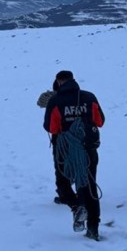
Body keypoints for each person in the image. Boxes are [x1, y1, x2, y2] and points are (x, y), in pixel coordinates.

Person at [43, 70, 105, 241]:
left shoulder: (55, 101)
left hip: (64, 150)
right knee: (89, 186)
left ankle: (76, 206)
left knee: (63, 181)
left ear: (58, 82)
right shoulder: (89, 97)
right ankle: (93, 228)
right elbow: (100, 121)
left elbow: (51, 128)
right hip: (88, 148)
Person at [37, 80, 78, 207]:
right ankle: (84, 194)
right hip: (81, 138)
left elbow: (50, 126)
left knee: (61, 168)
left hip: (61, 139)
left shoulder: (54, 100)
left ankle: (67, 197)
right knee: (81, 167)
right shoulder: (83, 97)